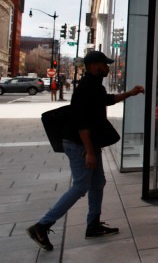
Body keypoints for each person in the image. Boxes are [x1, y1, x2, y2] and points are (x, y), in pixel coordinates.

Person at [27, 51, 144, 251]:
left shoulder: (94, 86)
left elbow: (107, 100)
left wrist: (130, 93)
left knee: (98, 183)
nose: (108, 68)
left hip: (88, 143)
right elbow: (82, 123)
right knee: (81, 186)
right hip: (80, 144)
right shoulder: (86, 88)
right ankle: (42, 225)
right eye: (104, 65)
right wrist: (89, 152)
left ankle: (93, 224)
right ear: (93, 65)